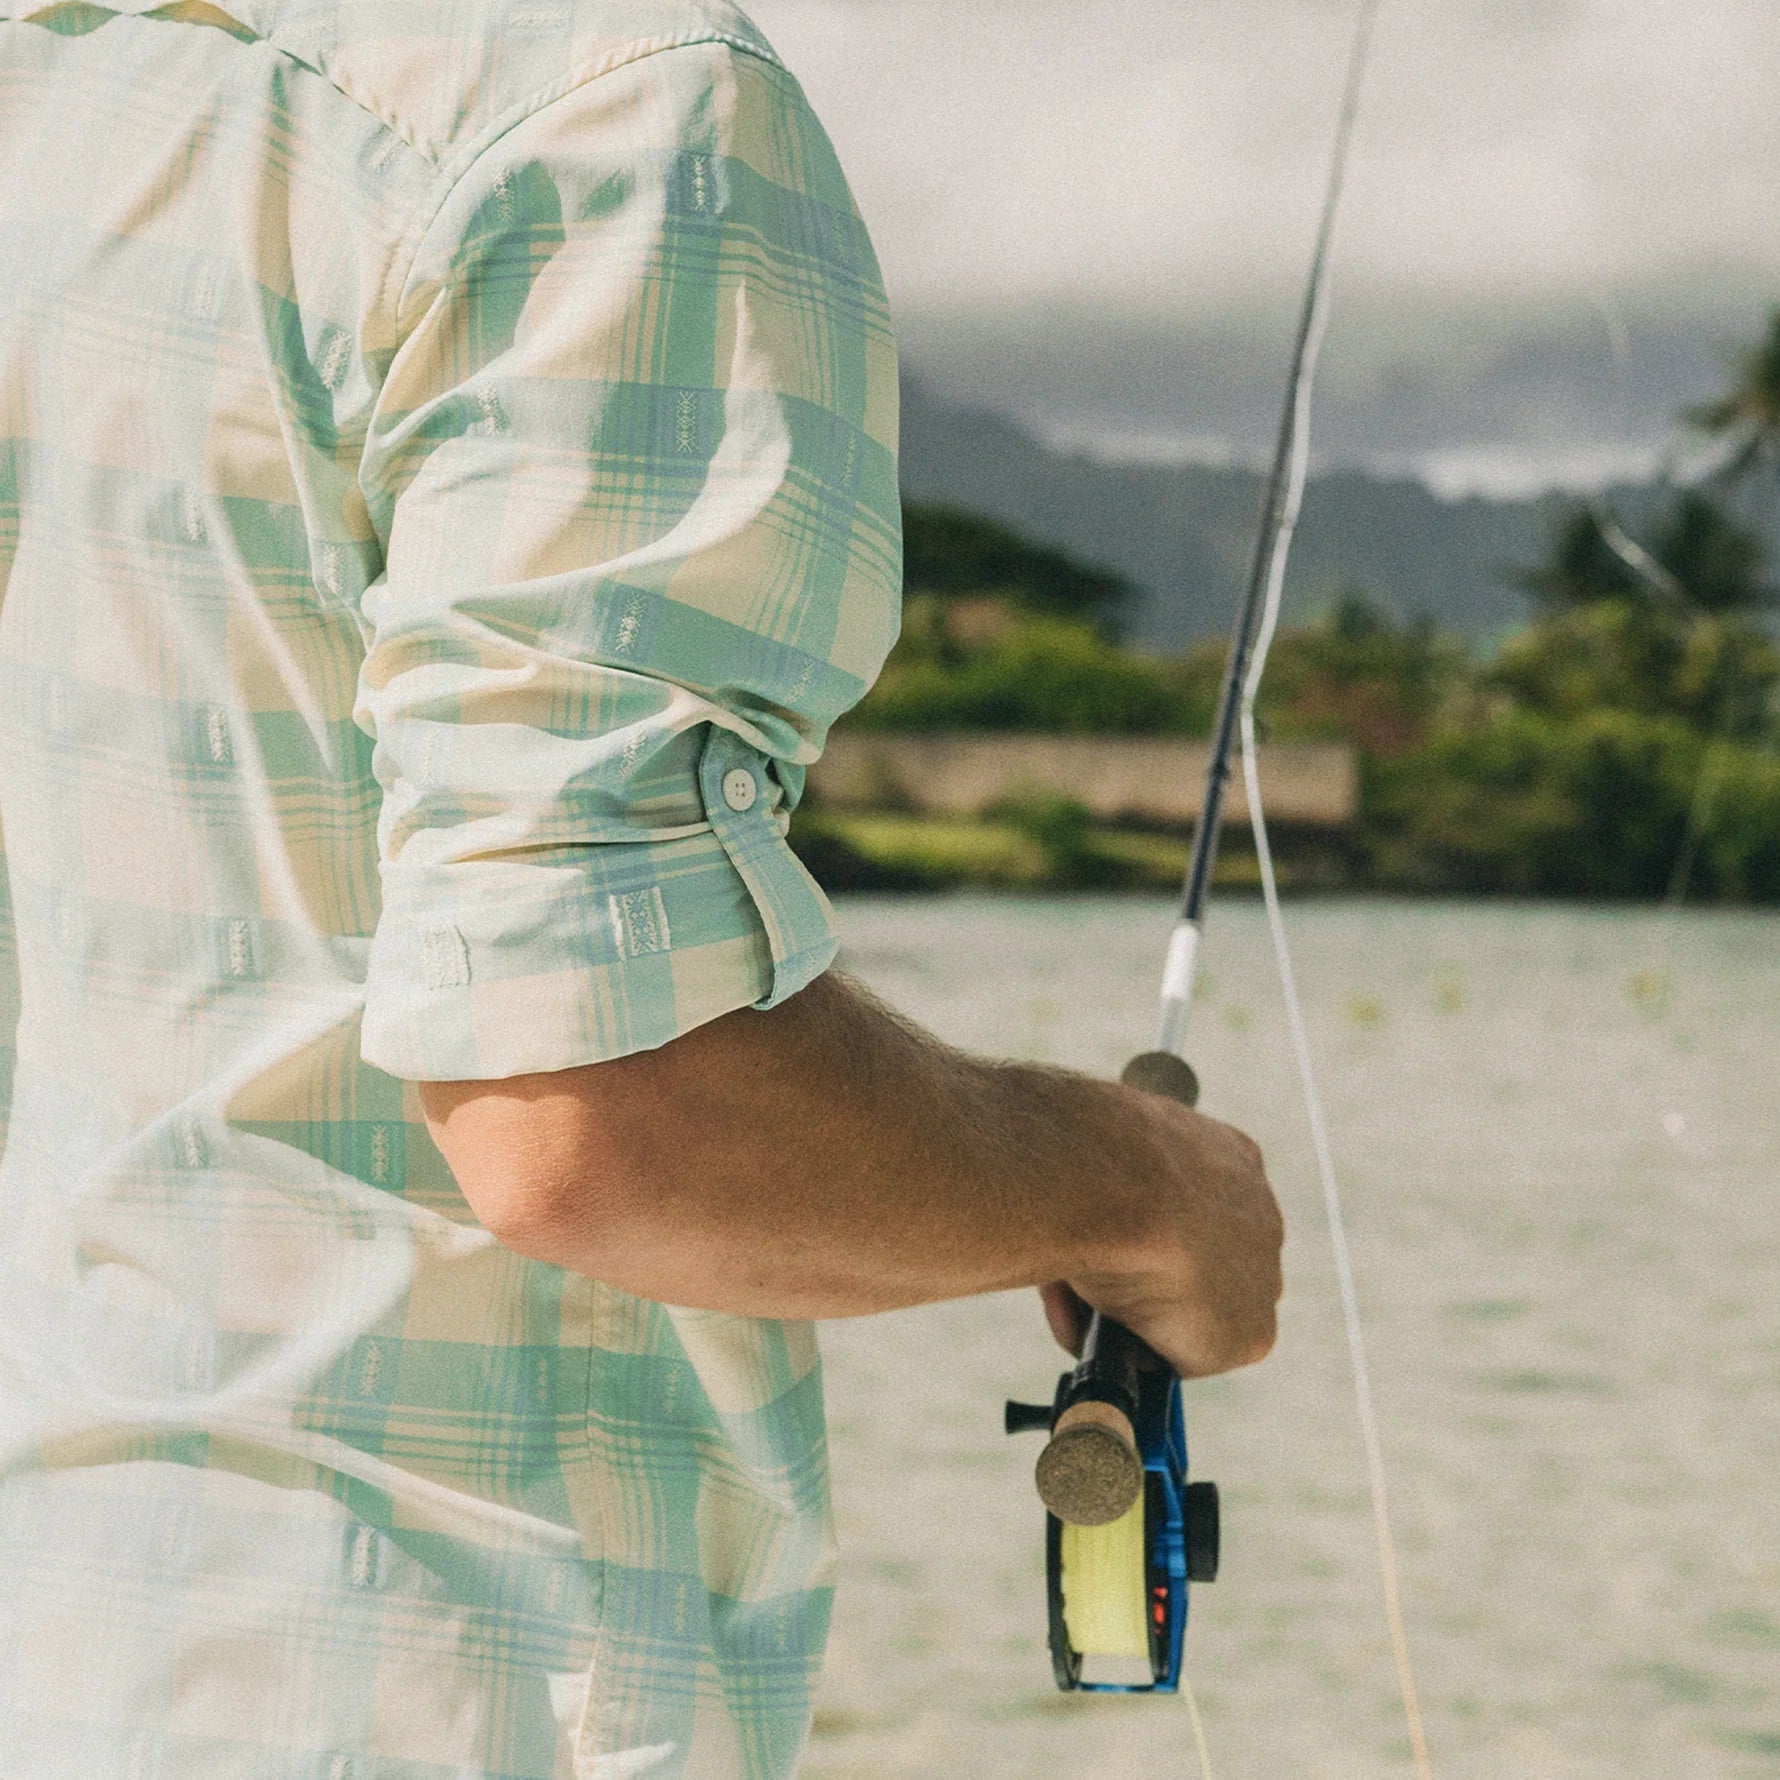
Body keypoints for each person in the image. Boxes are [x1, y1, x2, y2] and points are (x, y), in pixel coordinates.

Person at [0, 0, 1282, 1773]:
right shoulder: (603, 105)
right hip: (419, 1697)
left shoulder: (60, 90)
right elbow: (592, 1105)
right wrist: (1134, 1190)